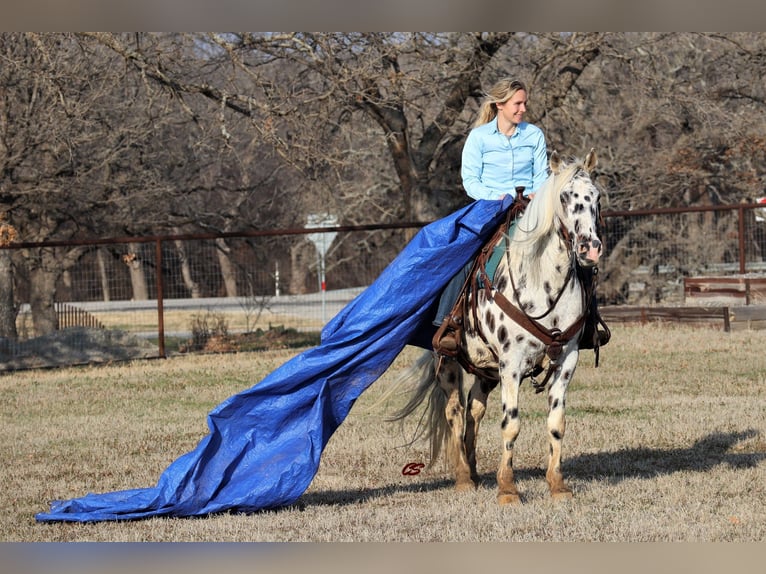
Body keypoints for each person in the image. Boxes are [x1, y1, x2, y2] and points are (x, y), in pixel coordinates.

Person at [433, 78, 549, 353]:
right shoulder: (479, 138)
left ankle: (588, 324)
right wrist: (498, 196)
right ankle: (450, 322)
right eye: (517, 103)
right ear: (500, 105)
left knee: (569, 248)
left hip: (530, 208)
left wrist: (534, 195)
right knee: (463, 256)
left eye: (524, 103)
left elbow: (542, 176)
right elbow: (470, 181)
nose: (523, 109)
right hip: (490, 208)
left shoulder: (534, 135)